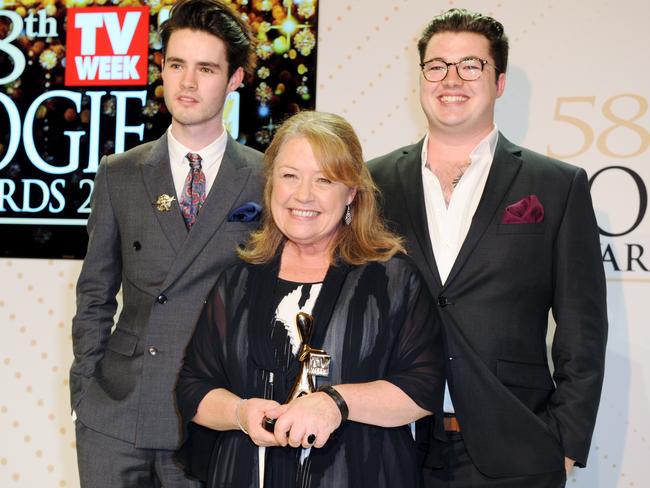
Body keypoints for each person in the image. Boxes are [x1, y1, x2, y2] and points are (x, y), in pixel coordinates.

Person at [368, 8, 608, 488]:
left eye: (470, 66)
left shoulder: (557, 184)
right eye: (436, 66)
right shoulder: (372, 182)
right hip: (389, 444)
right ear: (420, 78)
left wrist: (563, 444)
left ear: (498, 82)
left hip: (513, 448)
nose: (451, 79)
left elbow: (583, 330)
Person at [175, 110, 445, 488]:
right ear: (271, 186)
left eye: (325, 180)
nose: (303, 195)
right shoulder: (237, 281)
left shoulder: (393, 280)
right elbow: (193, 387)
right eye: (290, 176)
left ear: (351, 192)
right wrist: (240, 412)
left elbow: (423, 387)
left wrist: (335, 403)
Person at [69, 0, 262, 486]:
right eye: (176, 65)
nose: (188, 83)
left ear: (235, 78)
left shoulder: (264, 177)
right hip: (117, 412)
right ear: (162, 69)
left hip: (215, 410)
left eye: (206, 68)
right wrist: (84, 394)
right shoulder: (121, 173)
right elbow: (94, 293)